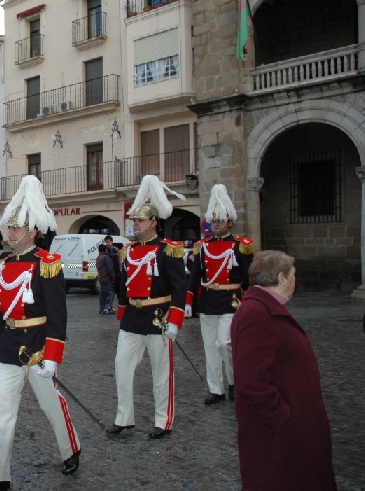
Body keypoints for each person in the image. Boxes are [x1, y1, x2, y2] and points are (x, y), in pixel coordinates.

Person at [0, 175, 80, 491]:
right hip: (7, 347)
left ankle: (71, 448)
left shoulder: (48, 264)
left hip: (38, 348)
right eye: (9, 227)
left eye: (15, 228)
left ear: (32, 231)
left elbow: (58, 315)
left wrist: (53, 357)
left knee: (51, 405)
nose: (9, 232)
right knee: (3, 413)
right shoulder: (4, 264)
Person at [231, 250, 336, 491]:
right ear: (281, 278)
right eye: (293, 274)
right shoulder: (258, 313)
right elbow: (251, 379)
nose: (294, 279)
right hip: (279, 433)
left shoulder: (263, 307)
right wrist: (282, 416)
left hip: (288, 429)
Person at [105, 175, 186, 440]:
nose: (134, 225)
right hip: (132, 317)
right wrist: (122, 310)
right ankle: (124, 417)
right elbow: (122, 286)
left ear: (153, 223)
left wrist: (175, 319)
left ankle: (163, 420)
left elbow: (178, 287)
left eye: (139, 221)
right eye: (133, 220)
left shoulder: (168, 250)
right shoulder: (127, 251)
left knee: (161, 371)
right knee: (122, 365)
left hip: (158, 317)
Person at [186, 184, 254, 405]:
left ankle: (234, 382)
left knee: (225, 343)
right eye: (212, 221)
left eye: (219, 221)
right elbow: (194, 276)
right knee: (209, 347)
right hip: (208, 300)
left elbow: (247, 276)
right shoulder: (202, 246)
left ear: (229, 222)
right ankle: (216, 389)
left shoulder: (239, 246)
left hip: (231, 300)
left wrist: (249, 299)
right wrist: (188, 301)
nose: (215, 225)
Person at [96, 243, 115, 315]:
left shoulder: (98, 257)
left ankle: (101, 308)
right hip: (106, 278)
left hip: (100, 277)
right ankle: (107, 308)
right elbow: (109, 269)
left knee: (102, 294)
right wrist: (113, 277)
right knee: (109, 293)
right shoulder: (106, 257)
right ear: (106, 249)